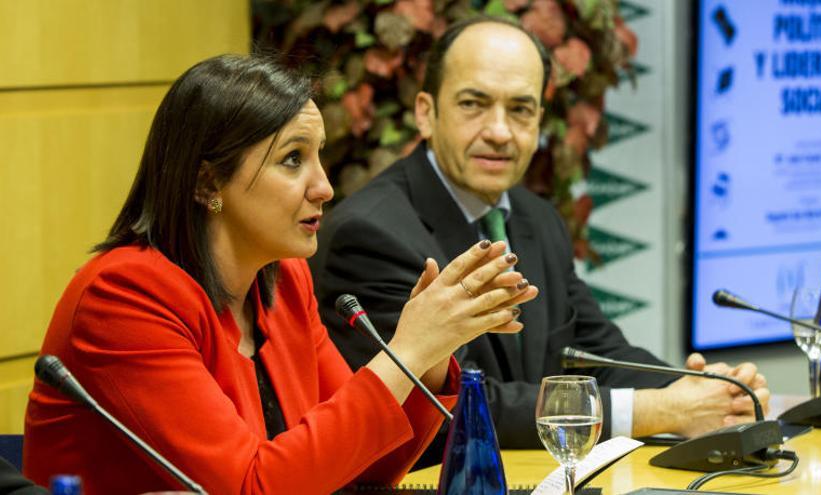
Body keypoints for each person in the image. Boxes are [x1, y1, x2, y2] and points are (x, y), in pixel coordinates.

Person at [23, 54, 537, 494]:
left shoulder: (286, 282)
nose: (325, 188)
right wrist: (407, 352)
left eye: (319, 157)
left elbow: (363, 473)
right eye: (293, 160)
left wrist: (432, 352)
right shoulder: (125, 297)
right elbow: (250, 487)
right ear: (207, 183)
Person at [310, 17, 769, 458]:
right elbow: (453, 409)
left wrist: (705, 392)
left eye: (520, 109)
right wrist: (664, 410)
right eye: (473, 104)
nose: (499, 132)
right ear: (426, 114)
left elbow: (596, 351)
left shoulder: (535, 217)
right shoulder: (371, 235)